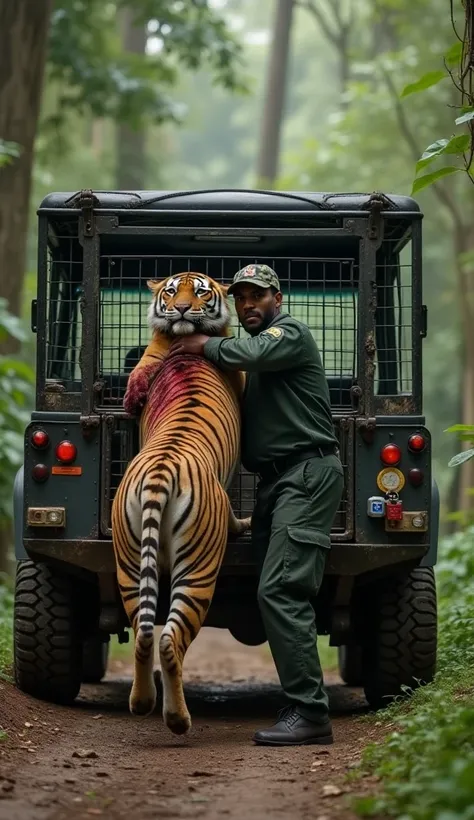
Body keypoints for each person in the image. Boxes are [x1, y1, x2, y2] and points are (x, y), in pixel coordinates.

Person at [168, 264, 344, 746]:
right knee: (274, 589)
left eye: (257, 297)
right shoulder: (253, 356)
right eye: (240, 297)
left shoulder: (288, 334)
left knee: (283, 591)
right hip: (275, 483)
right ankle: (300, 703)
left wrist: (205, 344)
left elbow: (250, 350)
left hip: (305, 475)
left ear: (277, 299)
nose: (248, 304)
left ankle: (311, 714)